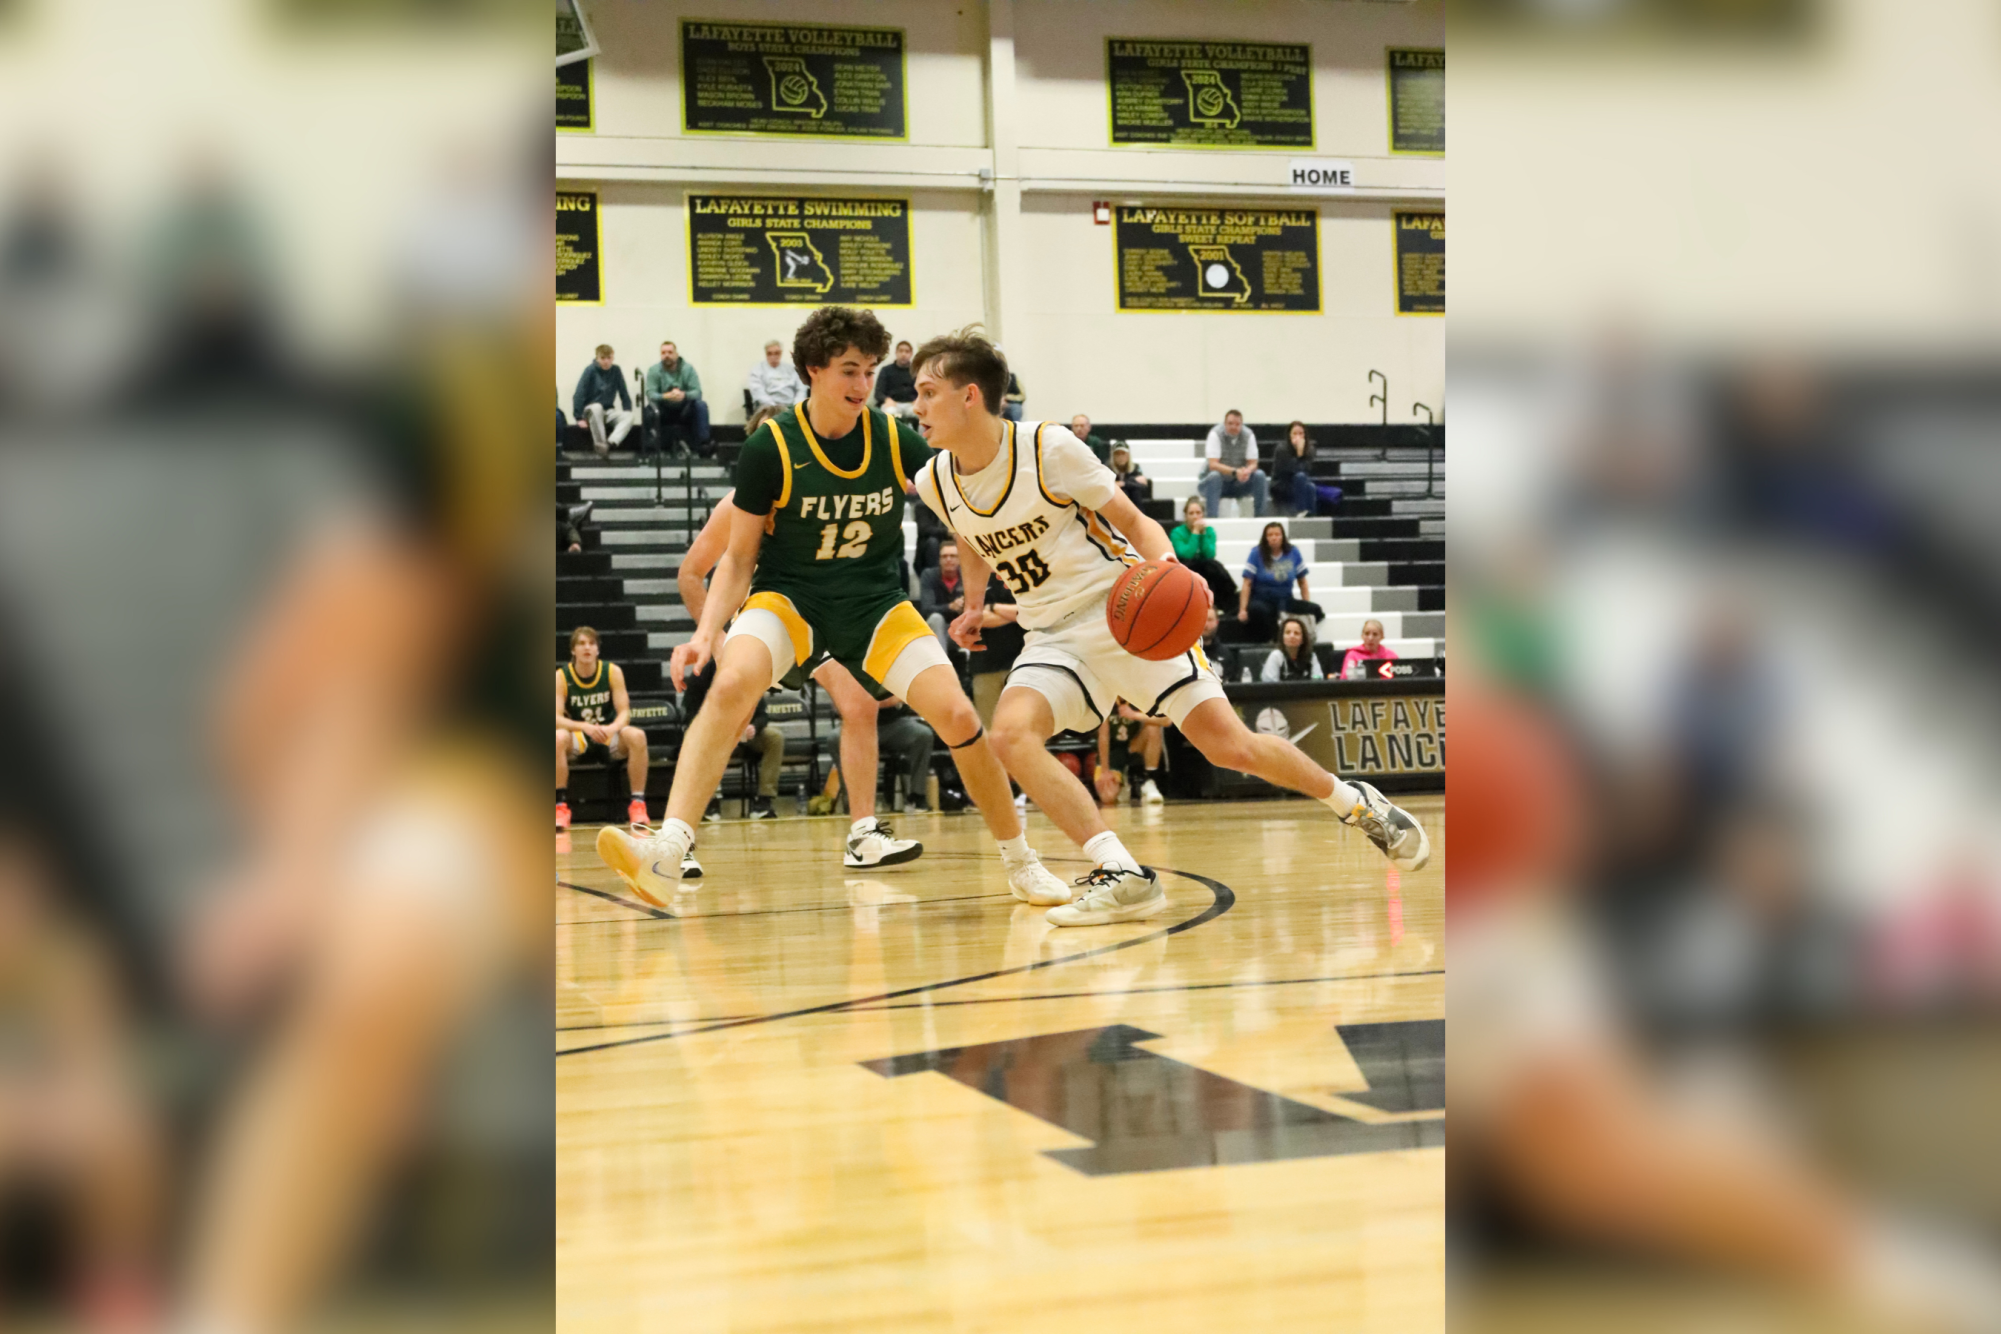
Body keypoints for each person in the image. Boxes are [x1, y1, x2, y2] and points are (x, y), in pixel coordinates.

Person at [909, 324, 1429, 929]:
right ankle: (1121, 872)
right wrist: (974, 605)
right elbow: (970, 538)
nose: (915, 407)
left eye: (926, 392)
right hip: (1051, 632)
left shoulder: (1049, 450)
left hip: (1121, 611)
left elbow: (1133, 520)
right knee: (1011, 735)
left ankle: (1354, 802)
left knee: (1230, 747)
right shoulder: (935, 479)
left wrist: (1170, 573)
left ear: (969, 396)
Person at [598, 305, 1070, 905]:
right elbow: (738, 560)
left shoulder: (894, 439)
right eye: (849, 370)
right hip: (789, 599)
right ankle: (668, 848)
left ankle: (1022, 862)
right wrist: (707, 632)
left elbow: (965, 518)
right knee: (730, 681)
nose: (862, 385)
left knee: (956, 717)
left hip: (874, 603)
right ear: (813, 370)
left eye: (870, 371)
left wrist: (974, 603)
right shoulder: (770, 447)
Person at [674, 488, 920, 867]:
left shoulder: (826, 493)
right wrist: (719, 641)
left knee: (861, 704)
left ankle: (864, 835)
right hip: (765, 619)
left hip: (818, 616)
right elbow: (691, 573)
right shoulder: (743, 500)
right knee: (728, 720)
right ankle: (680, 839)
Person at [556, 626, 650, 831]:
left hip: (608, 734)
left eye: (591, 643)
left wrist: (612, 728)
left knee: (637, 735)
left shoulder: (612, 672)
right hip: (579, 737)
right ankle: (560, 806)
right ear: (573, 650)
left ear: (598, 649)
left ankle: (638, 804)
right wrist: (585, 727)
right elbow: (555, 718)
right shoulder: (562, 677)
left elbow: (625, 712)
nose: (587, 648)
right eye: (581, 644)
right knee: (556, 738)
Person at [1238, 521, 1324, 642]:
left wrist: (1306, 604)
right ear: (1265, 538)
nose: (1274, 538)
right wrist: (1243, 609)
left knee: (1315, 610)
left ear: (1283, 537)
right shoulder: (1256, 553)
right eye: (1270, 535)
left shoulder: (1293, 552)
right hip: (1262, 600)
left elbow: (1302, 582)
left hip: (1285, 599)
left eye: (1277, 534)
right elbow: (1247, 583)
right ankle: (1276, 639)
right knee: (1258, 611)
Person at [966, 571, 1023, 729]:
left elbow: (1031, 612)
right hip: (984, 667)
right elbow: (975, 619)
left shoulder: (1022, 576)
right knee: (990, 732)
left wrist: (992, 607)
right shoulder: (975, 581)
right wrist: (1014, 615)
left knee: (1022, 730)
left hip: (1020, 666)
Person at [1169, 496, 1238, 615]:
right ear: (1186, 516)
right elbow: (1186, 554)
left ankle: (1221, 604)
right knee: (1208, 566)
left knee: (1213, 566)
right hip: (1185, 567)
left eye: (1198, 513)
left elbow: (1210, 554)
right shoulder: (1177, 532)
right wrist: (1195, 533)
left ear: (1203, 515)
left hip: (1205, 567)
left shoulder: (1209, 531)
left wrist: (1203, 534)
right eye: (1191, 513)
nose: (1195, 516)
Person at [643, 339, 710, 457]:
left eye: (670, 352)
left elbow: (697, 393)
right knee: (648, 410)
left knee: (701, 405)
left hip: (684, 408)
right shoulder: (654, 370)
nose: (667, 356)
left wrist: (683, 395)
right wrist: (666, 396)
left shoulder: (688, 369)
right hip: (663, 407)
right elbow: (650, 394)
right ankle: (651, 449)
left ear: (676, 354)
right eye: (663, 353)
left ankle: (703, 445)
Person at [1198, 409, 1268, 518]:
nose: (1233, 427)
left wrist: (1246, 471)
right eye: (1230, 423)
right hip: (1216, 483)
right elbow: (1213, 465)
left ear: (1241, 425)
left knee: (1260, 475)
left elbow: (1253, 463)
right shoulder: (1215, 434)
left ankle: (1261, 516)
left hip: (1238, 483)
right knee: (1214, 476)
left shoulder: (1248, 435)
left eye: (1237, 424)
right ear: (1224, 424)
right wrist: (1235, 472)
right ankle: (1212, 519)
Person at [872, 698, 937, 812]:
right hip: (859, 723)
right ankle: (850, 800)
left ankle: (917, 796)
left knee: (923, 735)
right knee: (835, 739)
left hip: (896, 722)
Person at [1094, 702, 1165, 806]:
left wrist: (1134, 715)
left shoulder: (1136, 696)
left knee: (1153, 727)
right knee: (1107, 797)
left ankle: (1148, 780)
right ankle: (1126, 779)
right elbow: (1103, 737)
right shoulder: (1106, 698)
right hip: (1113, 752)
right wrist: (1105, 771)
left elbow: (1166, 720)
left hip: (1133, 746)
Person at [571, 343, 634, 457]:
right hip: (591, 410)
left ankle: (610, 443)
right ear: (597, 358)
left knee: (629, 416)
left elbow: (623, 392)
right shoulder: (590, 370)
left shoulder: (616, 370)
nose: (606, 361)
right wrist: (578, 417)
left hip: (608, 410)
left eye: (609, 358)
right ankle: (600, 444)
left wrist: (627, 409)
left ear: (613, 358)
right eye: (602, 358)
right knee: (597, 407)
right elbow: (579, 393)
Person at [918, 539, 967, 654]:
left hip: (960, 632)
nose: (948, 559)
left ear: (960, 559)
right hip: (935, 632)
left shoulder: (967, 577)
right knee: (936, 618)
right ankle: (943, 667)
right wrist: (951, 607)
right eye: (944, 556)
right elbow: (926, 609)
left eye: (953, 556)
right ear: (939, 560)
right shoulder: (929, 575)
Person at [745, 338, 805, 417]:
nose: (773, 356)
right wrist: (774, 409)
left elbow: (801, 389)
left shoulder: (791, 369)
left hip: (790, 408)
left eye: (777, 353)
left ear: (781, 353)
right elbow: (759, 393)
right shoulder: (757, 370)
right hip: (767, 409)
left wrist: (796, 407)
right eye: (770, 353)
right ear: (766, 354)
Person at [1262, 615, 1324, 682]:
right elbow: (1270, 685)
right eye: (1287, 632)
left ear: (1302, 639)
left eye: (1296, 633)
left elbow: (1318, 680)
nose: (1292, 636)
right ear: (1282, 637)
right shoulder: (1276, 656)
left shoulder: (1311, 657)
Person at [871, 338, 917, 417]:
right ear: (896, 352)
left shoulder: (916, 371)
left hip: (911, 405)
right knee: (890, 412)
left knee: (923, 414)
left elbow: (922, 391)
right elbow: (878, 393)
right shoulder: (886, 370)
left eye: (907, 351)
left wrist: (918, 400)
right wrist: (887, 400)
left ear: (911, 354)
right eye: (901, 351)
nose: (903, 354)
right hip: (892, 404)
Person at [1107, 441, 1152, 506]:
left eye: (1123, 453)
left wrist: (1123, 483)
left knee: (1135, 491)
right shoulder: (1107, 468)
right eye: (1117, 454)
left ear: (1128, 455)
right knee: (1123, 491)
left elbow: (1143, 486)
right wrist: (1133, 480)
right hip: (1115, 500)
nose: (1120, 457)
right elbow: (1107, 486)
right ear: (1113, 456)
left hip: (1133, 498)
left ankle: (1138, 515)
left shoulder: (1135, 467)